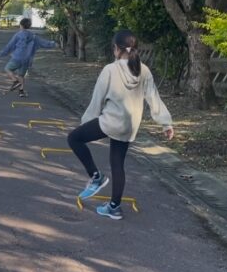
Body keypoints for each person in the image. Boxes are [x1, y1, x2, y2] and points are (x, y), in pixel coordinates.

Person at [68, 30, 174, 220]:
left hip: (111, 122)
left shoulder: (110, 69)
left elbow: (97, 100)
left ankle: (96, 176)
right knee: (117, 163)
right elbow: (153, 98)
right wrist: (166, 123)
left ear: (116, 49)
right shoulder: (144, 70)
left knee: (74, 138)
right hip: (130, 125)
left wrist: (86, 121)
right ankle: (114, 207)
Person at [0, 17, 56, 98]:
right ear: (29, 26)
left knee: (7, 69)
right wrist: (53, 44)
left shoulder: (18, 35)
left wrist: (2, 54)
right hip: (27, 59)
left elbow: (10, 45)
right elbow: (44, 43)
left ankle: (15, 81)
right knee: (21, 75)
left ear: (21, 25)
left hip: (17, 57)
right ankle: (21, 91)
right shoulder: (34, 37)